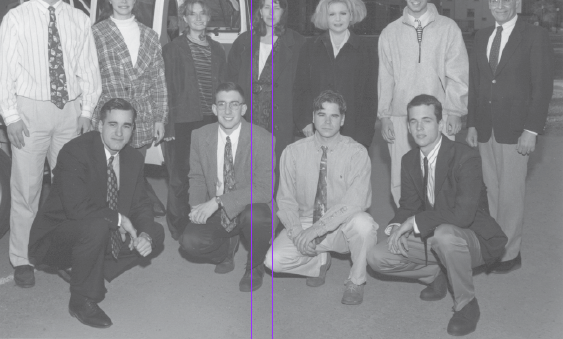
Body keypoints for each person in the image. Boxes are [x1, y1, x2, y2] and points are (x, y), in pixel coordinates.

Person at [0, 0, 102, 288]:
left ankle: (63, 253)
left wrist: (86, 112)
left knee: (70, 189)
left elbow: (89, 71)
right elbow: (4, 72)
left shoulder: (78, 19)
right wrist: (11, 117)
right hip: (30, 112)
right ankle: (22, 258)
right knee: (26, 189)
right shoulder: (17, 18)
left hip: (69, 112)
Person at [367, 94, 507, 336]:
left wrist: (415, 222)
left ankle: (467, 304)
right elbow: (408, 205)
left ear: (440, 124)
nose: (419, 127)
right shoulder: (409, 160)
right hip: (434, 233)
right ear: (408, 126)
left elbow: (463, 216)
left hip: (471, 238)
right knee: (377, 257)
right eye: (413, 122)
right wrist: (396, 227)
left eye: (427, 120)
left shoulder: (466, 156)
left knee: (445, 235)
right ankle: (440, 272)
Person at [29, 98, 165, 328]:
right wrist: (120, 219)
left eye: (127, 126)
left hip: (97, 236)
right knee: (99, 224)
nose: (119, 133)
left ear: (133, 129)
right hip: (57, 238)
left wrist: (145, 236)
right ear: (100, 126)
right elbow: (77, 209)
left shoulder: (132, 158)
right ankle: (81, 300)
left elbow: (141, 204)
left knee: (156, 233)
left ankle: (92, 266)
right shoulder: (75, 151)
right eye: (113, 124)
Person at [466, 0, 554, 273]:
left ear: (516, 2)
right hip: (485, 127)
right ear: (488, 4)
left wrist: (532, 129)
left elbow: (542, 87)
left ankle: (509, 253)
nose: (500, 6)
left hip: (516, 129)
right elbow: (476, 84)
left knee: (511, 193)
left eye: (506, 0)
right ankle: (490, 247)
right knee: (488, 190)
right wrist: (471, 123)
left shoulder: (534, 36)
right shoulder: (481, 37)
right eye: (494, 1)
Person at [266, 90, 378, 305]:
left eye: (334, 116)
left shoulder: (357, 153)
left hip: (343, 224)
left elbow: (355, 202)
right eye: (321, 114)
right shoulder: (292, 152)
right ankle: (318, 262)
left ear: (342, 120)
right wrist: (299, 232)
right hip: (307, 220)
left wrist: (315, 232)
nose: (327, 122)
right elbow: (286, 200)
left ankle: (356, 281)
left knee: (365, 225)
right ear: (313, 117)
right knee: (274, 261)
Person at [378, 0, 468, 207]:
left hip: (438, 116)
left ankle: (438, 230)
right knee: (401, 177)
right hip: (400, 116)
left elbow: (457, 73)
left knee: (441, 177)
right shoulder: (390, 32)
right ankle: (407, 228)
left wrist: (456, 111)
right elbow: (385, 77)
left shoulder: (448, 28)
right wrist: (385, 115)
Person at [179, 82, 273, 292]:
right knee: (189, 241)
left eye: (234, 104)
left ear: (244, 109)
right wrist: (196, 207)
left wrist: (219, 201)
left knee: (257, 217)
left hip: (249, 207)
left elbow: (264, 189)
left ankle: (255, 265)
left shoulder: (263, 139)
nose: (228, 111)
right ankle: (226, 249)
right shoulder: (200, 136)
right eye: (222, 105)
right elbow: (197, 177)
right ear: (214, 109)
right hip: (217, 209)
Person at [90, 0, 168, 218]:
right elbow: (88, 76)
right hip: (111, 114)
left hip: (142, 118)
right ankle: (109, 223)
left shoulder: (149, 35)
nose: (123, 0)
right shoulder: (97, 32)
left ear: (135, 0)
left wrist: (160, 117)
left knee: (134, 173)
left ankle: (134, 223)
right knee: (108, 175)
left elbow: (158, 80)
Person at [163, 0, 227, 240]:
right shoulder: (172, 49)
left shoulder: (217, 49)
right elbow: (166, 89)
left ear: (208, 17)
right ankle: (179, 226)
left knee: (210, 175)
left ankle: (207, 219)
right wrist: (167, 127)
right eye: (193, 13)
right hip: (183, 121)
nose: (198, 18)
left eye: (203, 13)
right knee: (180, 177)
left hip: (211, 121)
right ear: (184, 19)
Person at [228, 0, 305, 179]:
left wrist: (304, 119)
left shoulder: (296, 43)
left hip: (281, 115)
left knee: (279, 169)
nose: (271, 12)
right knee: (248, 167)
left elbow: (304, 85)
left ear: (283, 12)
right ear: (260, 11)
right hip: (249, 115)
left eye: (276, 7)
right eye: (266, 7)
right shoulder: (244, 41)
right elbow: (230, 80)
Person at [294, 0, 377, 151]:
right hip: (317, 129)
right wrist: (304, 121)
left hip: (353, 130)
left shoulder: (366, 50)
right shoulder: (310, 48)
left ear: (351, 16)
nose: (338, 19)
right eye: (332, 14)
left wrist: (364, 136)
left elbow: (370, 96)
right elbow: (300, 88)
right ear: (325, 17)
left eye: (343, 13)